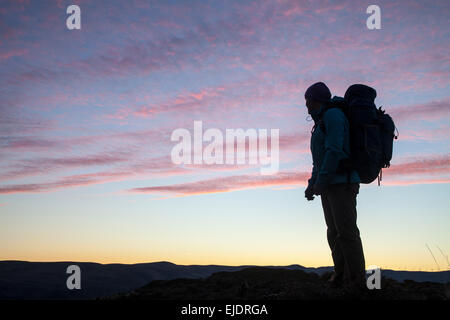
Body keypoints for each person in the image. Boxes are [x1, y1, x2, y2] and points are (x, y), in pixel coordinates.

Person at [303, 82, 366, 292]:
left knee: (347, 233)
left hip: (342, 183)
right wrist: (312, 184)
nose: (306, 106)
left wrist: (321, 181)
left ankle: (357, 282)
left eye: (308, 100)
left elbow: (334, 151)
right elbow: (318, 161)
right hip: (329, 185)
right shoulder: (321, 121)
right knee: (333, 232)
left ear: (316, 98)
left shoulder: (333, 116)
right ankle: (340, 275)